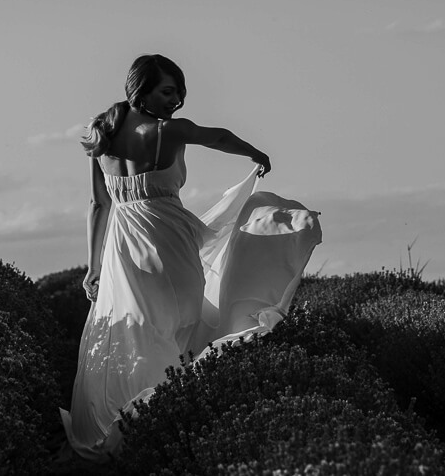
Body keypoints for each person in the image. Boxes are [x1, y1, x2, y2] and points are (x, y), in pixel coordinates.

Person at [60, 54, 321, 462]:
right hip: (170, 244)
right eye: (167, 91)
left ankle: (133, 423)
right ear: (140, 88)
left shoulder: (102, 134)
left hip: (122, 249)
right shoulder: (168, 131)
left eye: (178, 92)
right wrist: (256, 154)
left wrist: (93, 267)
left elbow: (99, 206)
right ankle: (166, 423)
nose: (176, 100)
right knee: (179, 326)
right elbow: (216, 137)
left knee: (134, 331)